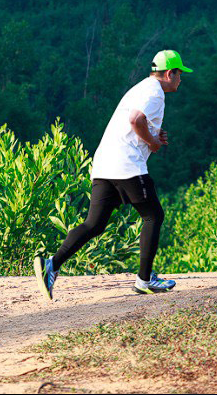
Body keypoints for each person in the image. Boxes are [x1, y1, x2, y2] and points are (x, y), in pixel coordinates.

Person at [34, 50, 192, 298]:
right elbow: (135, 119)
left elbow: (139, 123)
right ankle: (144, 280)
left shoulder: (142, 88)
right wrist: (152, 142)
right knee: (153, 216)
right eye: (180, 74)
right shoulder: (155, 93)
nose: (181, 79)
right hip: (126, 165)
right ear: (170, 73)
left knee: (94, 224)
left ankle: (51, 264)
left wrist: (153, 135)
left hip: (105, 163)